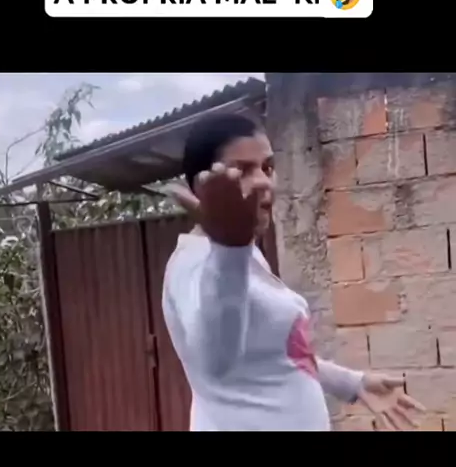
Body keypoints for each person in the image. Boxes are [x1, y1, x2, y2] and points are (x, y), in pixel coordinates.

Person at [162, 114, 425, 432]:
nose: (263, 182)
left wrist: (352, 383)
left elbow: (278, 355)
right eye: (242, 170)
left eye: (267, 168)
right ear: (202, 187)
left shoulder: (244, 255)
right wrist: (230, 249)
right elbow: (217, 361)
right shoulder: (193, 263)